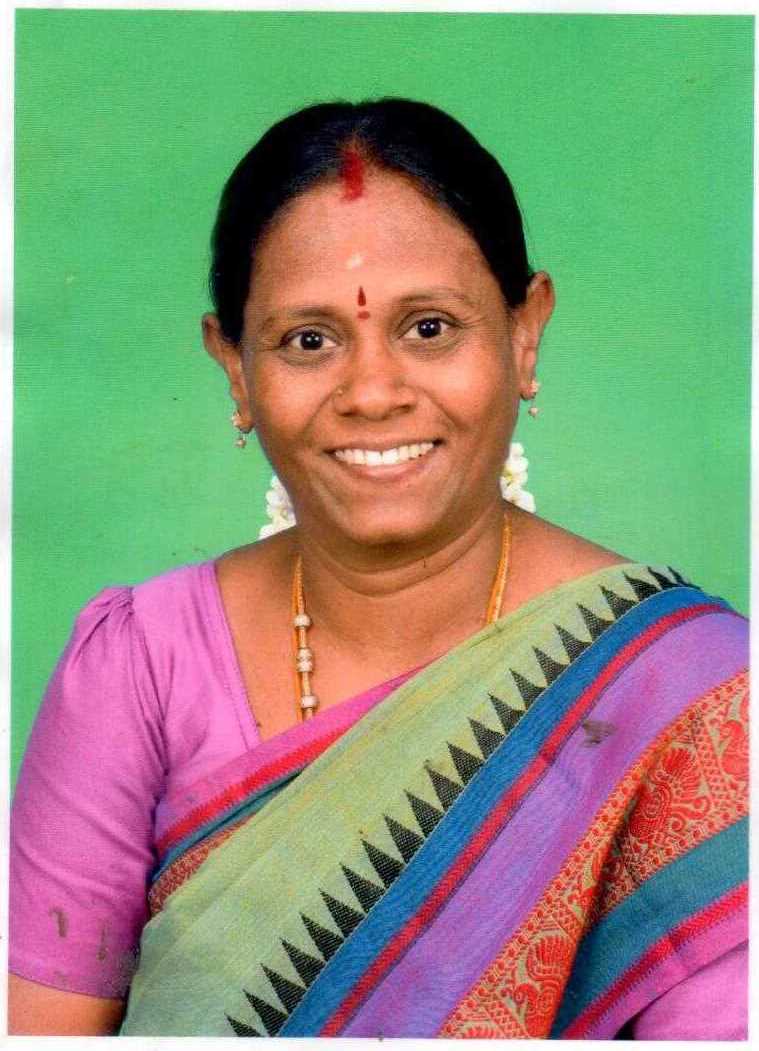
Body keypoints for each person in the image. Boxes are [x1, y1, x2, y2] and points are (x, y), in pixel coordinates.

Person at [9, 99, 748, 1038]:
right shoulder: (139, 666)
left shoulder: (692, 692)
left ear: (524, 332)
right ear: (234, 366)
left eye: (429, 327)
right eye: (308, 341)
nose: (371, 392)